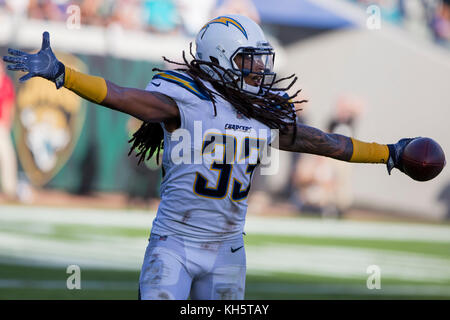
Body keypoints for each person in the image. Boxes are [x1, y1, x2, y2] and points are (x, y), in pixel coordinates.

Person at [3, 14, 415, 300]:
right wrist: (65, 74)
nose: (259, 71)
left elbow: (326, 142)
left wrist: (388, 154)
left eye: (260, 62)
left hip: (228, 250)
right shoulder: (188, 101)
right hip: (175, 246)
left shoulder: (261, 113)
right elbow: (123, 95)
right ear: (220, 60)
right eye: (248, 62)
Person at [0, 61, 17, 200]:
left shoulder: (6, 83)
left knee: (7, 155)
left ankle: (10, 189)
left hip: (1, 125)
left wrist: (7, 123)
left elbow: (9, 105)